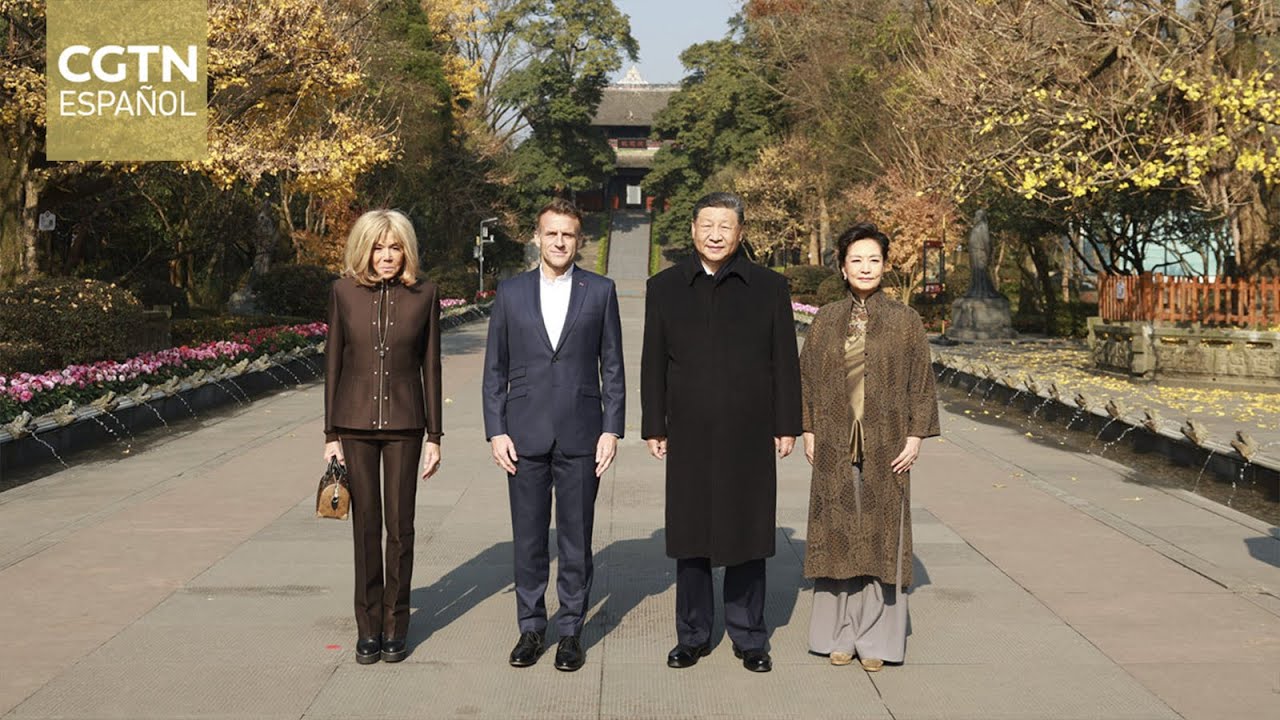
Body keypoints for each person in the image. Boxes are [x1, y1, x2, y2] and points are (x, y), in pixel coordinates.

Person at [641, 191, 802, 674]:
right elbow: (653, 362)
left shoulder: (769, 287)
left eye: (725, 226)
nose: (715, 234)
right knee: (691, 535)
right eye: (707, 224)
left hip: (750, 429)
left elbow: (785, 362)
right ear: (692, 229)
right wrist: (654, 422)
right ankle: (691, 634)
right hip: (688, 430)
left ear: (740, 232)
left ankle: (749, 634)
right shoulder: (665, 286)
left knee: (749, 531)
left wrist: (787, 423)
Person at [481, 198, 625, 672]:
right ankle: (530, 627)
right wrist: (495, 430)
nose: (560, 242)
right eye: (551, 233)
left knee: (576, 539)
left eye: (568, 234)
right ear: (537, 236)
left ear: (579, 240)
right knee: (528, 539)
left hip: (582, 433)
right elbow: (495, 370)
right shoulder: (511, 291)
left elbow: (613, 367)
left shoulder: (600, 291)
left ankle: (570, 632)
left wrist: (612, 429)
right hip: (522, 434)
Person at [799, 222, 939, 672]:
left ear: (885, 265)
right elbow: (806, 380)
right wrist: (809, 429)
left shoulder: (904, 320)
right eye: (856, 260)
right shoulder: (826, 320)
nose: (865, 267)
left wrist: (916, 436)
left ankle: (877, 637)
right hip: (836, 442)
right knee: (838, 533)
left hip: (888, 442)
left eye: (873, 260)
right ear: (842, 266)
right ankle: (838, 634)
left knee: (882, 536)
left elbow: (921, 380)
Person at [323, 209, 443, 665]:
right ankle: (367, 626)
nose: (386, 256)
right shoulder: (342, 292)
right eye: (378, 247)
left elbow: (430, 365)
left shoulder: (424, 294)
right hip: (352, 423)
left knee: (401, 528)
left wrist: (435, 434)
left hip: (406, 425)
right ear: (363, 249)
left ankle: (397, 625)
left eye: (394, 247)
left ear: (406, 249)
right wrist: (330, 433)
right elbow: (332, 361)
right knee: (365, 527)